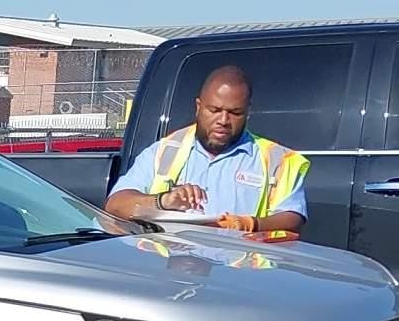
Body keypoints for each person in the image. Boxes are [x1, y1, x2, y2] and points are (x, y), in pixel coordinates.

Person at [105, 65, 308, 236]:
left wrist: (249, 224)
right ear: (198, 107)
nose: (223, 121)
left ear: (248, 112)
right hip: (171, 272)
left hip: (240, 272)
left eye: (235, 113)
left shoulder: (277, 160)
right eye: (214, 110)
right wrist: (163, 201)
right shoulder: (164, 151)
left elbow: (293, 218)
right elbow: (116, 204)